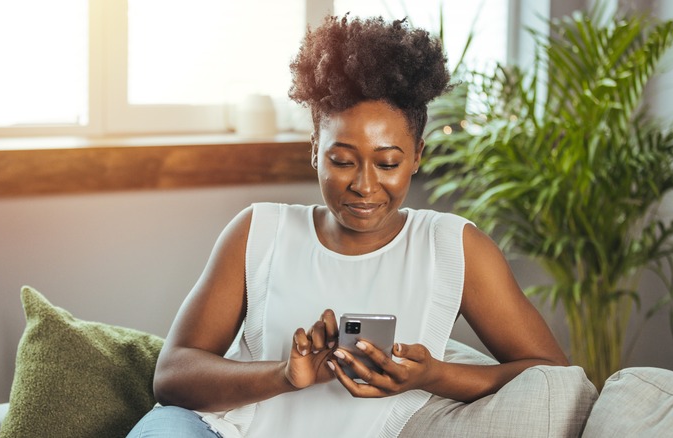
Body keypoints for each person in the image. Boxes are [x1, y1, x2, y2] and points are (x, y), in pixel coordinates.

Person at [127, 14, 568, 438]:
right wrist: (285, 375)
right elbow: (171, 376)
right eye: (342, 160)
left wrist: (434, 375)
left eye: (388, 162)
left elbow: (551, 376)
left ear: (417, 156)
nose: (364, 185)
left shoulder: (453, 247)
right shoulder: (259, 230)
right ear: (315, 149)